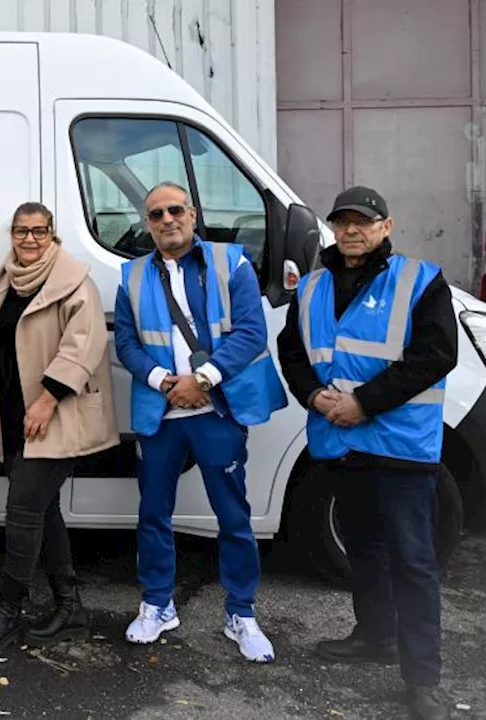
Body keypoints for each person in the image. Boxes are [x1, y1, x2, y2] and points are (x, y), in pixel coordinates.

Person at [276, 187, 456, 720]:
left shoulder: (420, 281)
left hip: (399, 446)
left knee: (414, 560)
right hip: (342, 444)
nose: (352, 230)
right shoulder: (310, 287)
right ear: (332, 228)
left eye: (364, 222)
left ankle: (423, 680)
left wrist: (364, 404)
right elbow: (293, 354)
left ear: (385, 226)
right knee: (364, 549)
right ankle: (375, 636)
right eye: (343, 221)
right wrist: (312, 395)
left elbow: (435, 355)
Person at [113, 181, 286, 663]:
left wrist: (202, 381)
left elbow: (252, 332)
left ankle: (242, 613)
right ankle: (157, 604)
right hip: (160, 414)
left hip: (218, 410)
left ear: (192, 214)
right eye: (155, 214)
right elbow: (126, 343)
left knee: (233, 517)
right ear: (147, 225)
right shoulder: (131, 276)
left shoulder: (232, 264)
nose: (166, 220)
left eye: (174, 210)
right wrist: (166, 383)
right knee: (153, 514)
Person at [0, 201, 119, 654]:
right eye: (20, 231)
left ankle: (9, 611)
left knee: (23, 511)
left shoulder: (75, 283)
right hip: (13, 421)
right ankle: (70, 606)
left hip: (54, 417)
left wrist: (48, 399)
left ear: (53, 235)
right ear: (11, 235)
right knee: (44, 512)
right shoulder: (2, 283)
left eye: (39, 231)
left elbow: (84, 346)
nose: (29, 239)